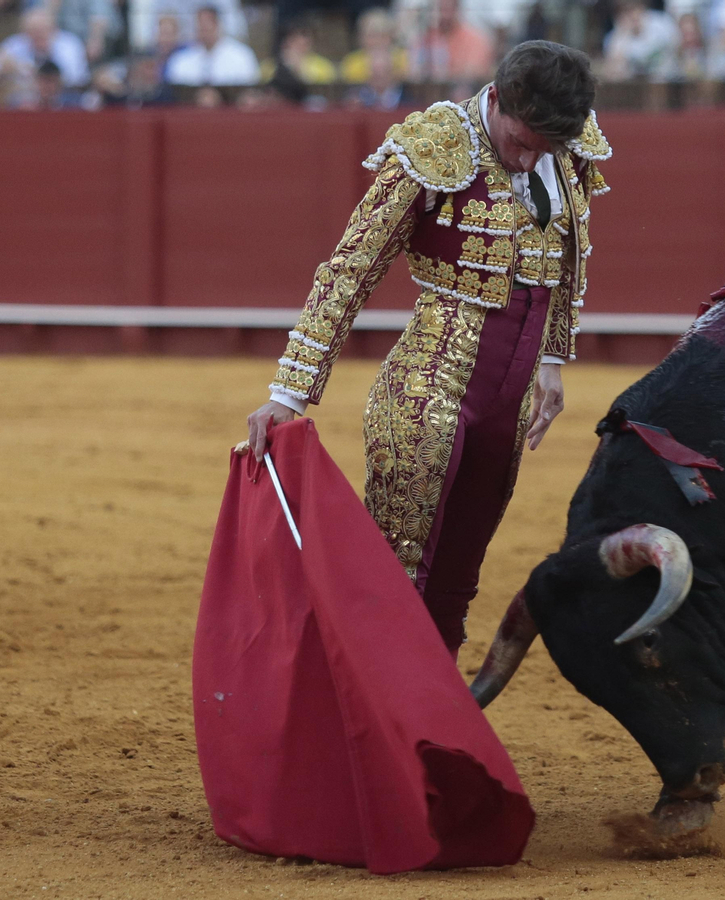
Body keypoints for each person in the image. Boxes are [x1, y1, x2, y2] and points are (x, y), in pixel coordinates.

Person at [245, 41, 611, 657]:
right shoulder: (436, 145)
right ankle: (368, 704)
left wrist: (552, 360)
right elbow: (351, 269)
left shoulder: (564, 144)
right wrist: (290, 394)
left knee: (457, 582)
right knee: (398, 575)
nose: (528, 160)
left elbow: (569, 252)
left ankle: (432, 709)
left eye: (543, 149)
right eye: (520, 143)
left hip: (509, 399)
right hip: (428, 389)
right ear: (497, 100)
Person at [165, 5, 259, 85]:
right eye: (200, 24)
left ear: (218, 25)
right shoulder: (182, 60)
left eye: (207, 24)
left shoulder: (241, 56)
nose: (203, 29)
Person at [339, 8, 410, 83]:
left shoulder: (404, 58)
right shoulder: (352, 62)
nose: (377, 41)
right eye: (372, 36)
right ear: (361, 38)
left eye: (383, 35)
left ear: (392, 36)